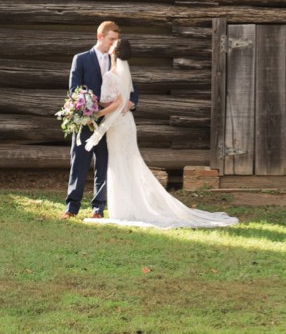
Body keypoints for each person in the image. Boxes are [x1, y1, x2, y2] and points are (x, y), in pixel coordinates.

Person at [83, 36, 238, 230]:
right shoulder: (125, 73)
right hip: (126, 123)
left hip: (117, 125)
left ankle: (125, 209)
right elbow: (123, 101)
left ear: (114, 51)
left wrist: (95, 112)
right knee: (126, 163)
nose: (110, 45)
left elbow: (115, 103)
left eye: (112, 44)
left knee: (120, 163)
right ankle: (128, 206)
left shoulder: (111, 74)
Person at [63, 20, 138, 219]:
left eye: (116, 40)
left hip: (110, 123)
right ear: (100, 37)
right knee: (79, 163)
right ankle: (71, 208)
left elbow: (131, 88)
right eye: (111, 39)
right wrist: (85, 111)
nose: (114, 44)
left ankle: (98, 208)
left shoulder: (118, 61)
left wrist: (131, 102)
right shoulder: (81, 59)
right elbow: (74, 90)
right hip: (86, 122)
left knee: (104, 164)